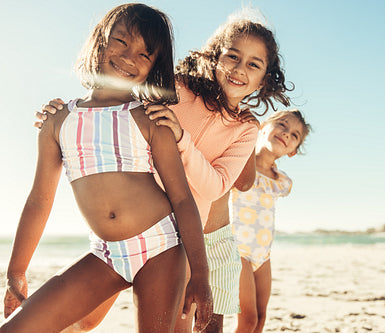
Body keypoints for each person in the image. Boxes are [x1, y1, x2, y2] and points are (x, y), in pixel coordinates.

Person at [34, 13, 292, 333]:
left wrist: (181, 140)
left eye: (254, 64)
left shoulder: (246, 129)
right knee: (85, 319)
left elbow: (216, 186)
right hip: (132, 226)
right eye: (232, 56)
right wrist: (61, 115)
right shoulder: (178, 89)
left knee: (177, 328)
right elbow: (121, 100)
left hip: (181, 240)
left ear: (265, 79)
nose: (240, 68)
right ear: (215, 57)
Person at [1, 4, 213, 333]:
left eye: (145, 54)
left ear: (154, 66)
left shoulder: (150, 119)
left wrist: (200, 273)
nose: (129, 57)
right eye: (121, 41)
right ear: (100, 40)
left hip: (162, 247)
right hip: (105, 255)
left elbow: (183, 199)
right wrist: (16, 270)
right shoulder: (58, 121)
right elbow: (40, 200)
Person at [231, 110, 311, 333]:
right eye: (282, 125)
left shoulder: (282, 181)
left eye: (294, 135)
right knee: (247, 319)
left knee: (261, 319)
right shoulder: (240, 162)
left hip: (263, 254)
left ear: (293, 152)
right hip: (238, 250)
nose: (286, 134)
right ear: (263, 126)